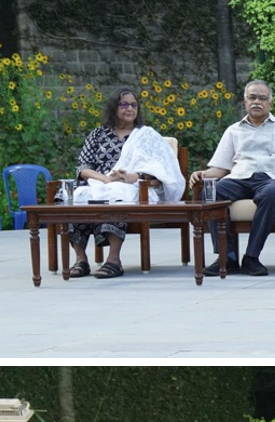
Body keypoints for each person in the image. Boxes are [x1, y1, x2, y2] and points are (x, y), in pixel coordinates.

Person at [188, 80, 275, 277]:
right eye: (252, 97)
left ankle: (251, 257)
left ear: (270, 103)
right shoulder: (233, 130)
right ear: (245, 101)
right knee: (211, 193)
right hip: (238, 179)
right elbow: (221, 168)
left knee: (271, 193)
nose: (257, 102)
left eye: (262, 98)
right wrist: (203, 175)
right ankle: (227, 257)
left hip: (271, 179)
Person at [59, 87, 184, 279]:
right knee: (73, 197)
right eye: (124, 104)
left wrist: (136, 177)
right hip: (99, 182)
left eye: (134, 105)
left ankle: (113, 260)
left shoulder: (147, 136)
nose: (130, 109)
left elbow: (164, 171)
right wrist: (105, 179)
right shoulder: (98, 134)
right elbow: (83, 168)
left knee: (118, 194)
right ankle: (81, 259)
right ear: (113, 107)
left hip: (132, 186)